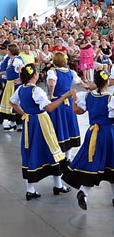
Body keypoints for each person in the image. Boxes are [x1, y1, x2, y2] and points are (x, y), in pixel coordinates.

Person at [10, 64, 72, 200]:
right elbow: (49, 108)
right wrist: (64, 97)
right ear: (35, 76)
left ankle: (31, 189)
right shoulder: (36, 91)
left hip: (29, 123)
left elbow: (12, 102)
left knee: (31, 150)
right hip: (41, 122)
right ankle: (58, 184)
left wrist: (24, 114)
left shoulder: (21, 88)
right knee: (52, 149)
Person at [63, 70, 114, 210]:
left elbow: (78, 111)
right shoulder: (110, 99)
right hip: (108, 134)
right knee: (111, 164)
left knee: (93, 162)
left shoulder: (88, 96)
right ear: (107, 82)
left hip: (93, 133)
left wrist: (74, 97)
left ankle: (84, 193)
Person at [47, 52, 89, 160]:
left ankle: (57, 154)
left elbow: (52, 84)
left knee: (57, 126)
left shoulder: (53, 72)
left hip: (58, 102)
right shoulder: (71, 72)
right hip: (69, 102)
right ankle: (68, 157)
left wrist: (50, 95)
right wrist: (89, 88)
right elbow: (81, 83)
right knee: (69, 125)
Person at [0, 44, 24, 131]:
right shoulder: (11, 60)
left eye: (8, 50)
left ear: (11, 51)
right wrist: (0, 73)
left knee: (17, 104)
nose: (6, 51)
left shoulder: (17, 61)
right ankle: (12, 123)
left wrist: (20, 79)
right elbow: (9, 71)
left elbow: (22, 70)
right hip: (9, 84)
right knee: (11, 103)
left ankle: (23, 124)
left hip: (14, 85)